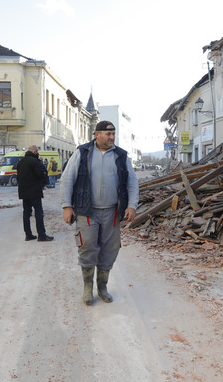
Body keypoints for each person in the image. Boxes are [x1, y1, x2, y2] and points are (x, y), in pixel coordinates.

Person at [59, 120, 139, 305]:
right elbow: (67, 179)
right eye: (108, 134)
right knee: (87, 248)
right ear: (97, 134)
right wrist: (66, 206)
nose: (112, 137)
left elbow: (132, 183)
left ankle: (102, 287)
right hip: (87, 212)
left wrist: (132, 205)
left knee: (109, 250)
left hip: (112, 213)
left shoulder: (121, 156)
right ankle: (88, 289)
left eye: (113, 134)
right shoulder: (83, 152)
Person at [16, 145, 54, 242]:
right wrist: (43, 183)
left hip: (24, 192)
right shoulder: (35, 162)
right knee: (38, 213)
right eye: (37, 151)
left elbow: (18, 178)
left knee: (26, 213)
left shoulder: (20, 162)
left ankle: (28, 235)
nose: (38, 153)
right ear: (34, 151)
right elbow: (41, 174)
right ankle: (41, 235)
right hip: (34, 191)